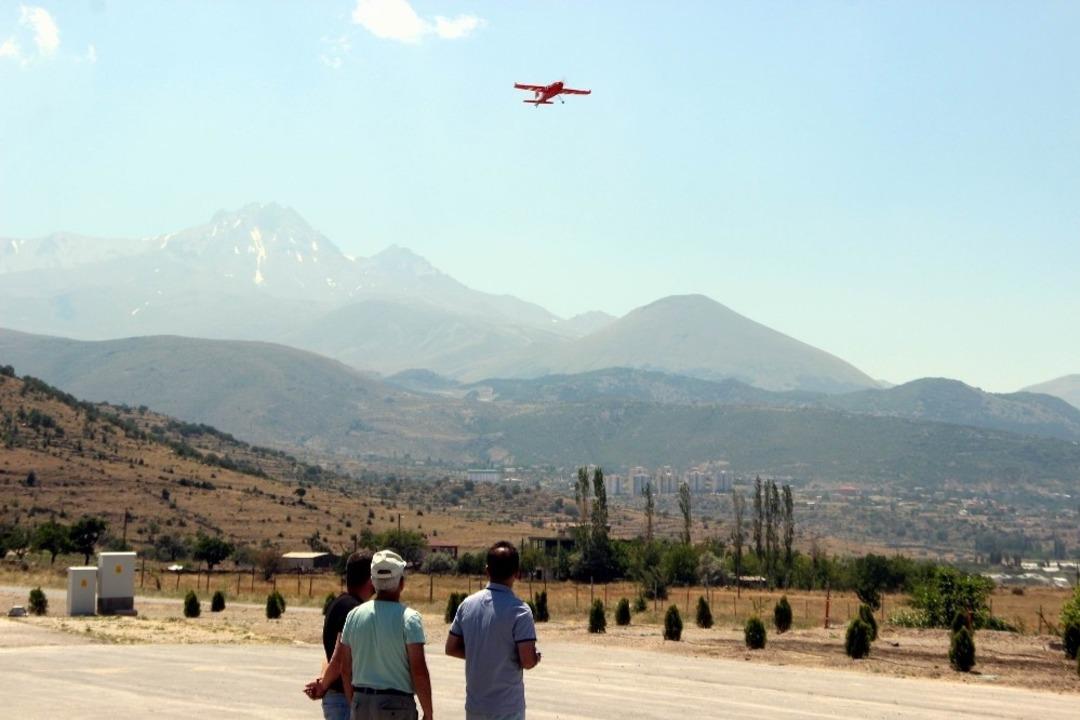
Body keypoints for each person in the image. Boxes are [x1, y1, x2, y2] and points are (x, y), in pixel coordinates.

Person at [445, 541, 540, 720]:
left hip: (476, 707)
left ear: (487, 571)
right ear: (517, 573)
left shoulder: (467, 605)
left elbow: (451, 648)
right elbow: (527, 661)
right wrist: (536, 657)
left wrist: (481, 652)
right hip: (507, 708)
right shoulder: (520, 611)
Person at [340, 549, 433, 720]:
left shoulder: (354, 616)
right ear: (401, 583)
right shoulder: (409, 619)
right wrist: (428, 712)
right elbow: (418, 671)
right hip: (396, 705)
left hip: (361, 703)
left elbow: (345, 669)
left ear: (373, 582)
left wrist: (353, 702)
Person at [304, 551, 374, 719]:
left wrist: (323, 681)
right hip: (345, 699)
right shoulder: (354, 610)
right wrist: (323, 686)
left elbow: (329, 655)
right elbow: (340, 658)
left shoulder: (337, 604)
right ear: (370, 579)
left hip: (335, 698)